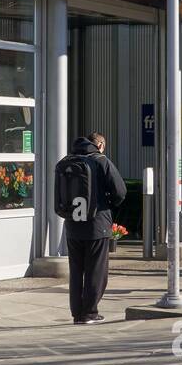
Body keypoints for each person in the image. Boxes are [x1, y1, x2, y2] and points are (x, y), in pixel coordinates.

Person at [61, 131, 126, 325]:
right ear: (100, 145)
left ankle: (77, 314)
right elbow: (120, 191)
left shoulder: (67, 161)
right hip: (97, 223)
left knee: (76, 271)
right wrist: (107, 204)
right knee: (95, 270)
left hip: (72, 224)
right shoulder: (101, 160)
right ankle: (90, 312)